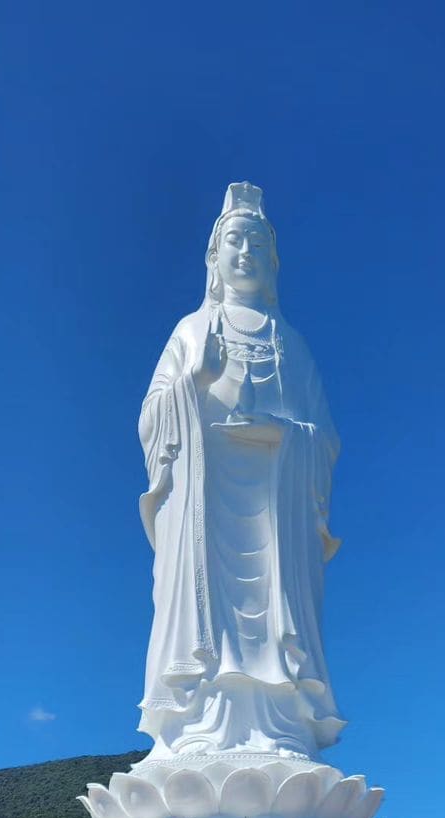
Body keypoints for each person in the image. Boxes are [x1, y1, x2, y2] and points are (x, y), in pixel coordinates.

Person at [137, 182, 343, 758]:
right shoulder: (190, 330)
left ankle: (282, 730)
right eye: (234, 240)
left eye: (257, 241)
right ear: (214, 257)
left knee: (276, 623)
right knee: (203, 623)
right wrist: (194, 383)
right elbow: (151, 419)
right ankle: (194, 728)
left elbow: (324, 437)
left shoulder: (291, 344)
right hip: (204, 505)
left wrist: (286, 437)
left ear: (273, 260)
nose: (245, 252)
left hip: (276, 511)